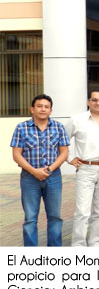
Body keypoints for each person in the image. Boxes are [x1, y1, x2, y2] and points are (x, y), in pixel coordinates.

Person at [11, 94, 69, 246]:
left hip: (54, 177)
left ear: (51, 110)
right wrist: (34, 171)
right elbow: (16, 155)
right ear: (32, 109)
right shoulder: (21, 128)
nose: (43, 109)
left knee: (55, 216)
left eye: (46, 107)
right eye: (39, 106)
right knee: (30, 218)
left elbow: (64, 153)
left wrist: (49, 169)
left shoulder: (59, 127)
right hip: (29, 178)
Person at [66, 90, 99, 247]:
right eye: (94, 100)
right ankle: (78, 245)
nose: (98, 103)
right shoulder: (77, 120)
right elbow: (61, 140)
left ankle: (96, 243)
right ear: (88, 102)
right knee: (82, 211)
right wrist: (70, 158)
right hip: (85, 169)